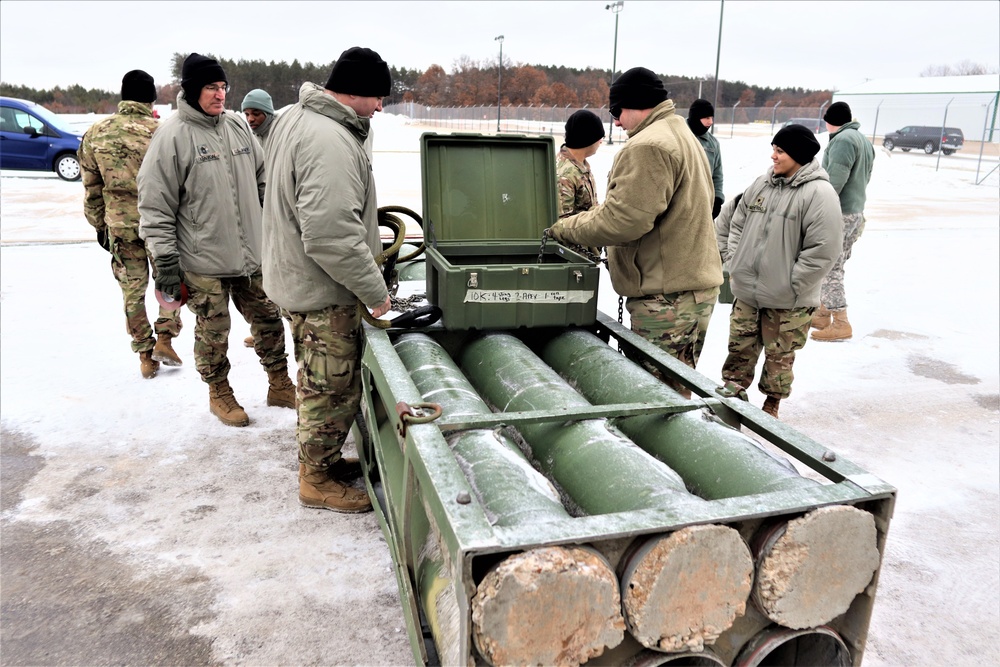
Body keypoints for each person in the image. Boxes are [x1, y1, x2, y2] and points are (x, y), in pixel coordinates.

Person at [262, 46, 394, 513]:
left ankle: (323, 458)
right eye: (378, 97)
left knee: (317, 379)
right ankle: (315, 478)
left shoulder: (297, 117)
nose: (381, 107)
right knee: (329, 385)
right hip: (321, 288)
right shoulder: (329, 140)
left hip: (297, 276)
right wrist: (375, 293)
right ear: (354, 91)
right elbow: (330, 236)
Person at [138, 53, 295, 427]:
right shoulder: (172, 136)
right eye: (211, 87)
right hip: (202, 259)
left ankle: (279, 383)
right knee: (214, 333)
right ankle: (219, 393)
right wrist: (165, 261)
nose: (220, 94)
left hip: (250, 254)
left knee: (270, 321)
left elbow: (262, 180)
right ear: (191, 90)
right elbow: (154, 206)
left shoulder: (238, 128)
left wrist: (272, 228)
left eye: (223, 87)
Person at [547, 67, 723, 384]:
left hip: (667, 298)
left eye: (617, 111)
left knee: (654, 394)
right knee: (676, 385)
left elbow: (623, 221)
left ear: (637, 103)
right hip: (688, 290)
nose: (615, 121)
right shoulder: (680, 133)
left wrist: (561, 228)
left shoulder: (649, 145)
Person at [718, 124, 843, 418]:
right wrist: (735, 260)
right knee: (740, 349)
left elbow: (823, 249)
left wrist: (793, 284)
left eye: (780, 151)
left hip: (789, 299)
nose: (773, 156)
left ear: (798, 155)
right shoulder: (762, 185)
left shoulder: (819, 194)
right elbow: (737, 223)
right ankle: (731, 395)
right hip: (748, 291)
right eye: (773, 149)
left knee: (780, 357)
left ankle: (771, 405)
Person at [79, 69, 183, 380]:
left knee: (132, 291)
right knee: (170, 280)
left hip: (120, 226)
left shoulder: (96, 133)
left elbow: (91, 187)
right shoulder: (162, 132)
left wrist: (99, 225)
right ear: (151, 97)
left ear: (123, 95)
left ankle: (144, 355)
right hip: (161, 224)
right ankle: (165, 338)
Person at [811, 101, 875, 341]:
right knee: (835, 263)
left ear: (830, 120)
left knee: (830, 266)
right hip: (855, 211)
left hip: (840, 213)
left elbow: (834, 181)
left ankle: (840, 321)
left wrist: (818, 207)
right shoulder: (862, 140)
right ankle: (823, 312)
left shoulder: (842, 141)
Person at [557, 109, 605, 217]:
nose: (601, 141)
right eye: (600, 137)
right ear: (587, 140)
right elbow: (563, 224)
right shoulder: (565, 175)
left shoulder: (580, 165)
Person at [687, 98, 724, 218]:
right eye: (707, 118)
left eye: (712, 118)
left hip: (704, 202)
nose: (711, 122)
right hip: (682, 200)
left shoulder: (713, 143)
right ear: (696, 117)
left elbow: (717, 174)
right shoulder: (681, 136)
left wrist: (717, 198)